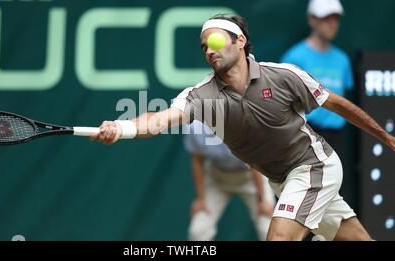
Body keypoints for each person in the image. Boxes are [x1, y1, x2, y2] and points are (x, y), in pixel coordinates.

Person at [89, 14, 395, 240]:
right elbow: (159, 120)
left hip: (314, 166)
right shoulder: (201, 95)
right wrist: (121, 127)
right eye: (204, 46)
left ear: (240, 41)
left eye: (217, 41)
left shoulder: (285, 76)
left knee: (278, 237)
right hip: (281, 180)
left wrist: (386, 137)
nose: (209, 50)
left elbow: (336, 104)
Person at [281, 0, 355, 204]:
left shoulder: (342, 60)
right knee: (302, 195)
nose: (332, 24)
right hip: (305, 137)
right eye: (326, 18)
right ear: (312, 20)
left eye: (335, 18)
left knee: (337, 197)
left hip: (337, 139)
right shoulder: (295, 57)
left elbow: (342, 101)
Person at [184, 120, 274, 241]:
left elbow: (255, 162)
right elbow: (196, 161)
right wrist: (201, 198)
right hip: (216, 178)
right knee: (198, 231)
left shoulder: (245, 122)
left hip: (250, 178)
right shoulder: (196, 127)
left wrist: (262, 200)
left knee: (268, 228)